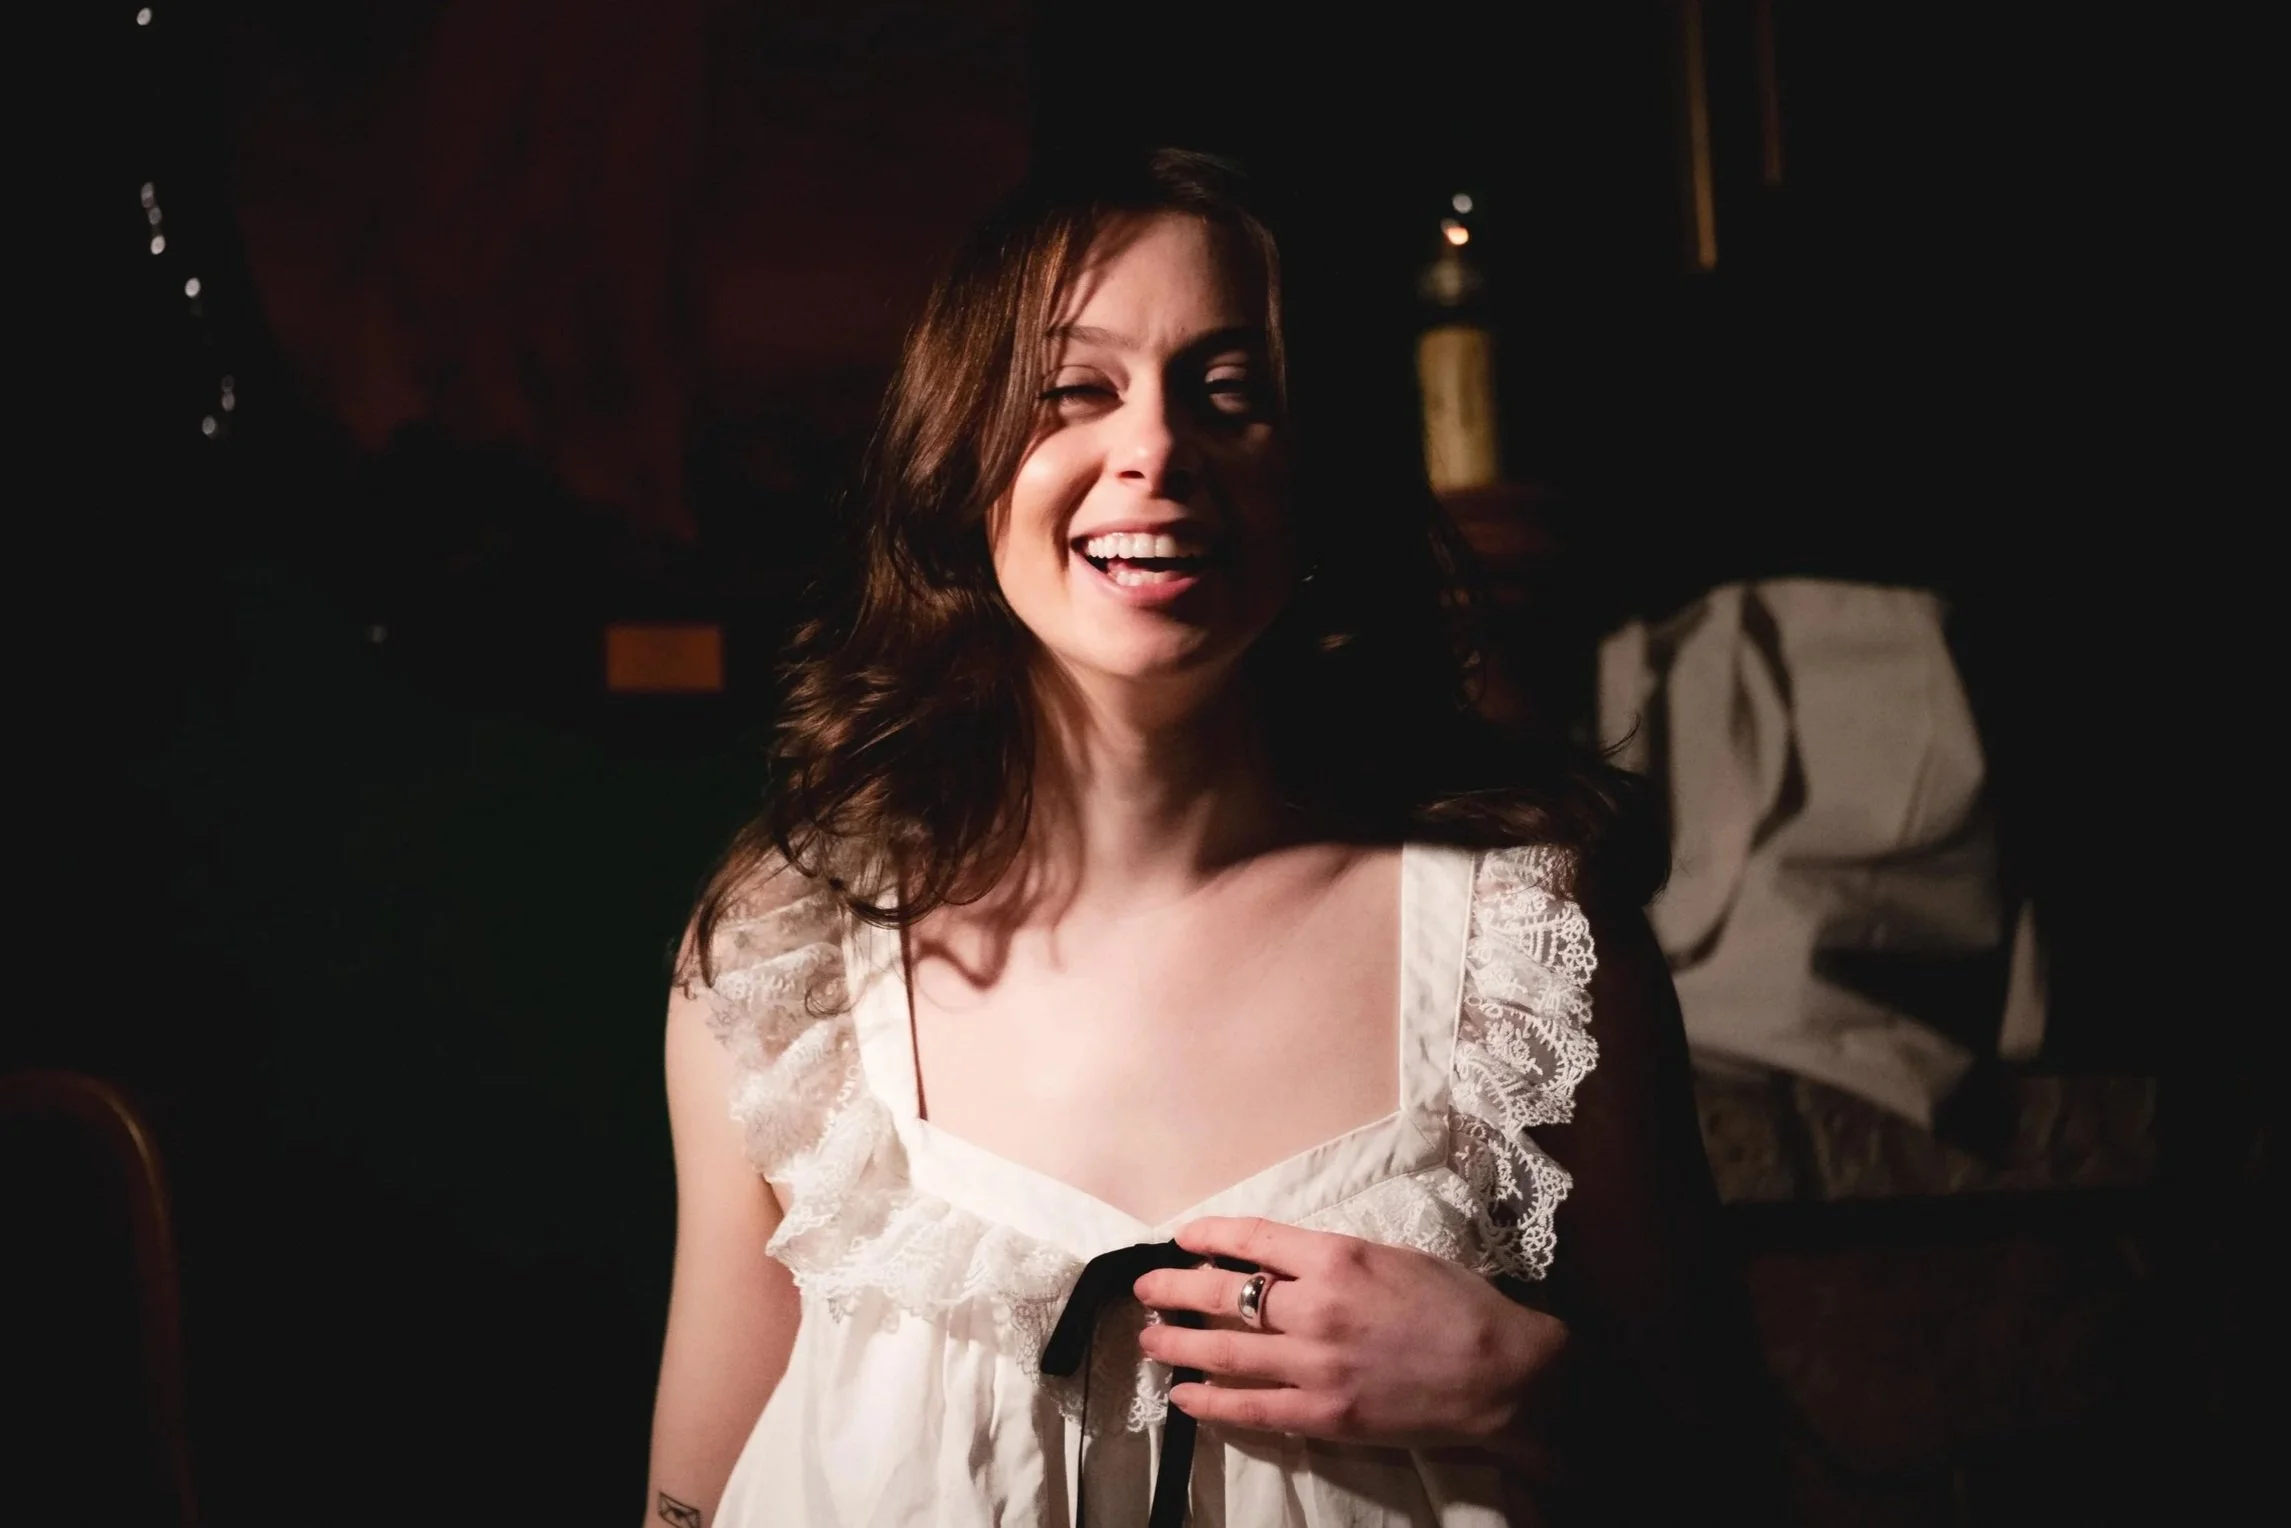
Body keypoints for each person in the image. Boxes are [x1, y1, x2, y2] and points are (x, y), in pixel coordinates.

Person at [643, 149, 1773, 1527]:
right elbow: (688, 1505)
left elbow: (1735, 1489)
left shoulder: (1526, 954)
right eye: (1075, 390)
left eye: (1229, 393)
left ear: (1310, 476)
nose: (1156, 451)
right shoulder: (786, 976)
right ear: (962, 460)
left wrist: (1523, 1394)